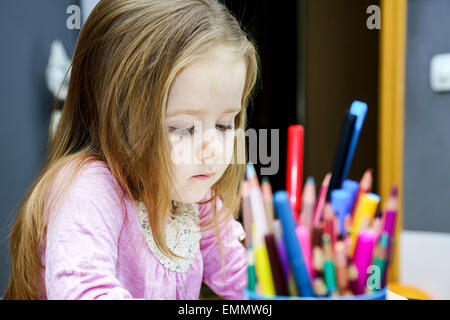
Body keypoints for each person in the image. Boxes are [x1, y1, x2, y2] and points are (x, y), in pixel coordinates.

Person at [4, 0, 259, 300]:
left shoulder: (194, 193)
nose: (212, 150)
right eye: (184, 128)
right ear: (118, 118)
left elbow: (247, 282)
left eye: (224, 125)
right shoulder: (89, 189)